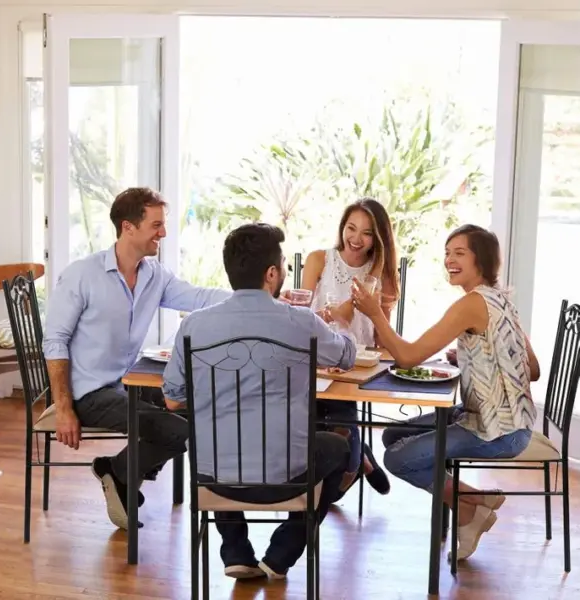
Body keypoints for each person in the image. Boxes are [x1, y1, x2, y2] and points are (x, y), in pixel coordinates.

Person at [163, 223, 355, 580]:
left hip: (213, 479)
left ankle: (235, 549)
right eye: (283, 265)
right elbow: (346, 356)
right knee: (339, 449)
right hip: (288, 476)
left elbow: (173, 400)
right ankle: (282, 553)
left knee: (218, 438)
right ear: (271, 273)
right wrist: (342, 325)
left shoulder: (193, 326)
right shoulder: (302, 322)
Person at [43, 187, 230, 530]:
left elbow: (198, 296)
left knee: (196, 408)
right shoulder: (82, 275)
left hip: (126, 382)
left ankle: (121, 471)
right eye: (156, 225)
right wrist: (64, 407)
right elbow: (54, 341)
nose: (164, 233)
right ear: (128, 227)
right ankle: (119, 472)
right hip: (88, 392)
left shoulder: (153, 275)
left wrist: (254, 297)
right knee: (180, 432)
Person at [351, 224, 540, 561]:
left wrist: (375, 313)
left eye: (459, 253)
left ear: (480, 259)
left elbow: (408, 356)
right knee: (393, 433)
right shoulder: (502, 300)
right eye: (447, 253)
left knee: (395, 458)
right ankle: (470, 506)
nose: (449, 260)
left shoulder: (470, 305)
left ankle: (472, 504)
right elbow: (533, 369)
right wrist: (478, 359)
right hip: (509, 421)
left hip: (498, 431)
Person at [301, 198, 399, 500]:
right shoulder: (319, 259)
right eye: (351, 228)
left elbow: (383, 343)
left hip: (356, 366)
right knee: (328, 418)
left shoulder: (381, 274)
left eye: (367, 233)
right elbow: (300, 317)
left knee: (341, 414)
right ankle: (359, 463)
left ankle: (354, 463)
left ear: (378, 239)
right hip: (315, 360)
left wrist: (374, 294)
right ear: (342, 227)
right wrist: (333, 314)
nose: (356, 239)